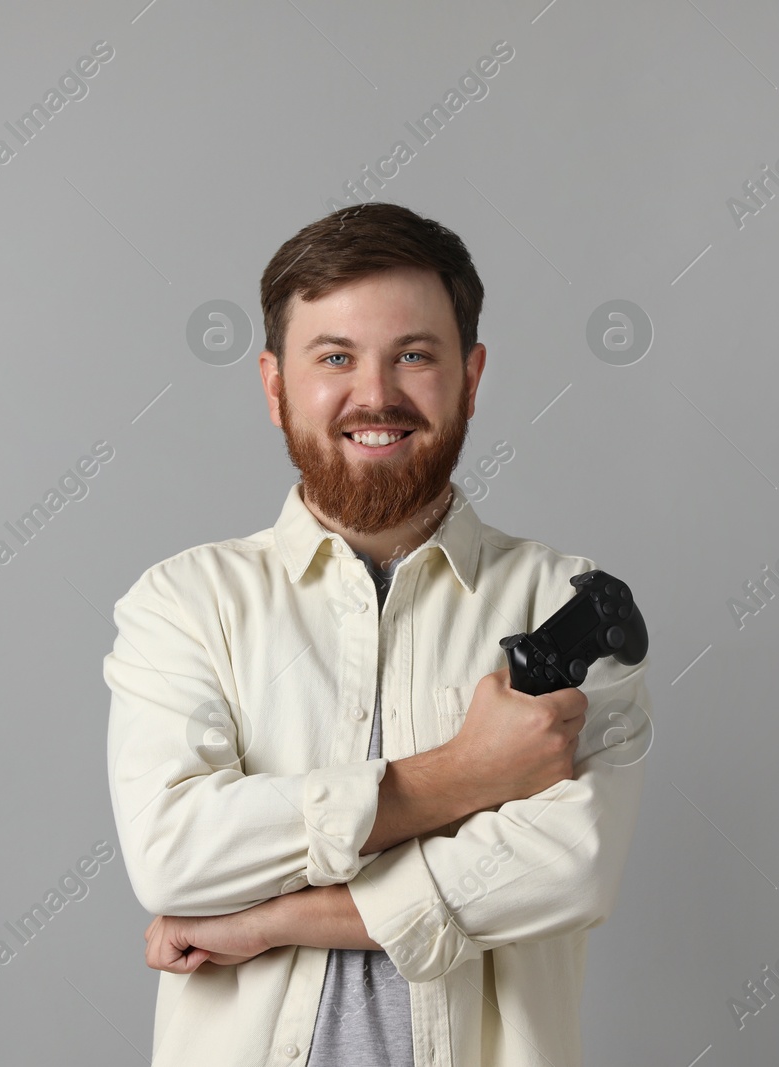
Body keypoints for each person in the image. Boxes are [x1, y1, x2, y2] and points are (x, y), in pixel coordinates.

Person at [104, 202, 651, 1067]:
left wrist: (266, 918)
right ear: (275, 384)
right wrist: (460, 777)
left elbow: (568, 867)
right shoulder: (183, 604)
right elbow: (176, 857)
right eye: (335, 357)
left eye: (414, 355)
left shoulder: (568, 609)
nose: (377, 394)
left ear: (471, 377)